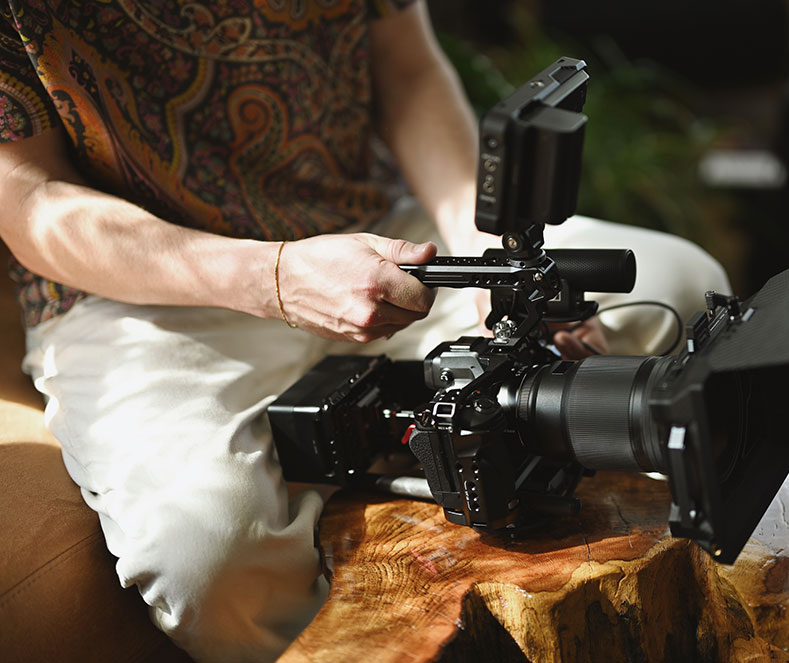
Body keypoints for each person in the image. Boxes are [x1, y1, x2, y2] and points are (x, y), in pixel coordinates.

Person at [0, 1, 729, 661]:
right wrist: (276, 276)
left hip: (380, 230)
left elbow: (407, 69)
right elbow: (31, 200)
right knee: (210, 558)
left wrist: (479, 257)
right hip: (146, 293)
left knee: (685, 284)